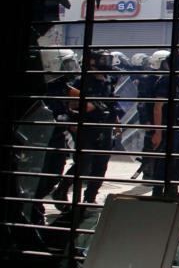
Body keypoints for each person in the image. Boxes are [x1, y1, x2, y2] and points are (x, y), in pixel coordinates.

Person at [51, 50, 122, 207]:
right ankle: (61, 191)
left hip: (104, 127)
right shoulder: (80, 81)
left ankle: (90, 197)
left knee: (101, 164)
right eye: (103, 59)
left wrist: (117, 124)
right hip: (86, 127)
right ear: (92, 61)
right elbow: (67, 104)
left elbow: (111, 104)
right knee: (83, 163)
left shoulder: (108, 80)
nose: (107, 63)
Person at [33, 50, 80, 209]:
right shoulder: (41, 88)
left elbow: (76, 98)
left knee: (55, 172)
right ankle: (34, 205)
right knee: (40, 174)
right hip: (41, 139)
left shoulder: (62, 86)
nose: (72, 68)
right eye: (67, 64)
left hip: (58, 137)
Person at [144, 51, 179, 198]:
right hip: (167, 129)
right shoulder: (166, 81)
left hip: (178, 127)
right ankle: (158, 193)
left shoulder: (176, 81)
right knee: (164, 163)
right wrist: (158, 132)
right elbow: (158, 107)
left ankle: (172, 189)